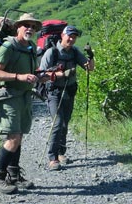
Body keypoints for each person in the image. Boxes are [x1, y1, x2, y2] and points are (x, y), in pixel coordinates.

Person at [0, 12, 43, 194]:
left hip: (25, 97)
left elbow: (32, 72)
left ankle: (14, 175)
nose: (30, 28)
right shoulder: (8, 46)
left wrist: (41, 77)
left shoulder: (31, 47)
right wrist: (18, 77)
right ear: (18, 27)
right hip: (9, 97)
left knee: (18, 137)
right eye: (26, 25)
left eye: (33, 26)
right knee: (13, 138)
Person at [38, 25, 94, 171]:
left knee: (65, 122)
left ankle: (61, 152)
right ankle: (53, 158)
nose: (72, 39)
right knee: (57, 122)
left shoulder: (75, 52)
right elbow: (41, 76)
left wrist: (91, 57)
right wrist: (62, 75)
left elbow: (89, 68)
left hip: (69, 91)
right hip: (54, 92)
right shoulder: (51, 53)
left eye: (74, 37)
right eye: (69, 36)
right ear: (62, 35)